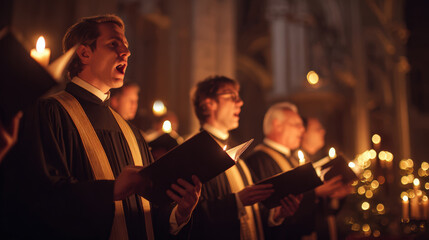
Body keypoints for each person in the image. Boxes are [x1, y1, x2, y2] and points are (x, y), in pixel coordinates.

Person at [0, 14, 201, 239]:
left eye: (126, 45)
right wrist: (111, 190)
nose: (126, 52)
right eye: (114, 44)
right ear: (84, 53)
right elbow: (38, 197)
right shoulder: (49, 112)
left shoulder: (132, 133)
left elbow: (146, 217)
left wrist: (178, 215)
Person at [189, 76, 301, 240]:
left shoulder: (237, 153)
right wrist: (236, 201)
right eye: (231, 96)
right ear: (208, 104)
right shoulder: (194, 152)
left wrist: (276, 215)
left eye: (239, 96)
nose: (240, 102)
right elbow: (192, 215)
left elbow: (255, 208)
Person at [245, 102, 346, 240]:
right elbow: (265, 208)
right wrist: (315, 193)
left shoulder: (291, 158)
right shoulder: (259, 160)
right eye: (297, 125)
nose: (302, 130)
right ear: (277, 125)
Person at [294, 117, 352, 240]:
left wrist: (336, 196)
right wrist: (316, 193)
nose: (323, 131)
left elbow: (328, 209)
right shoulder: (295, 163)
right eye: (317, 129)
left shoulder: (317, 159)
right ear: (303, 133)